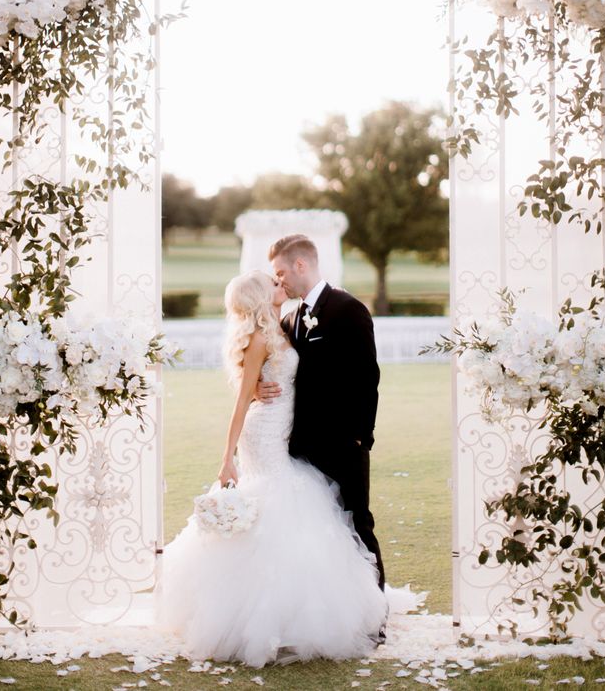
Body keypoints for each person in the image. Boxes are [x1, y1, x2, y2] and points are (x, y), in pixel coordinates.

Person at [156, 270, 423, 668]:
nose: (280, 282)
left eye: (280, 277)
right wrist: (226, 458)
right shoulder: (262, 337)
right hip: (264, 433)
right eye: (272, 281)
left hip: (287, 428)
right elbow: (242, 398)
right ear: (263, 295)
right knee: (277, 504)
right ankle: (260, 616)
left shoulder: (283, 325)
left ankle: (295, 612)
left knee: (291, 507)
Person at [261, 235, 386, 600]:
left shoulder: (348, 309)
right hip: (299, 444)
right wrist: (256, 389)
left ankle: (375, 610)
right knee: (316, 532)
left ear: (301, 265)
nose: (278, 280)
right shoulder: (289, 318)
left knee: (356, 524)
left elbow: (368, 377)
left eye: (281, 271)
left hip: (344, 444)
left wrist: (362, 437)